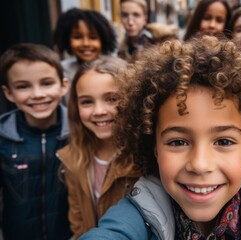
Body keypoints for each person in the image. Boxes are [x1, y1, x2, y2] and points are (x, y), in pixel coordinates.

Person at [79, 35, 241, 239]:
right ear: (155, 147)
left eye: (224, 141)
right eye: (178, 142)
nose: (200, 164)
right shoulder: (138, 211)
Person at [56, 56, 141, 238]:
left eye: (111, 99)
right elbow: (77, 221)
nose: (99, 111)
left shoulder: (143, 159)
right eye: (87, 101)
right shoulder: (73, 158)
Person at [0, 43, 72, 239]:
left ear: (63, 85)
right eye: (23, 86)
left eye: (47, 83)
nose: (38, 94)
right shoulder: (3, 137)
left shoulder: (79, 132)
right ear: (8, 93)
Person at [53, 8, 117, 82]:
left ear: (103, 40)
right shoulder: (61, 71)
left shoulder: (115, 69)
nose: (85, 43)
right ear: (66, 39)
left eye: (93, 37)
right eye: (77, 37)